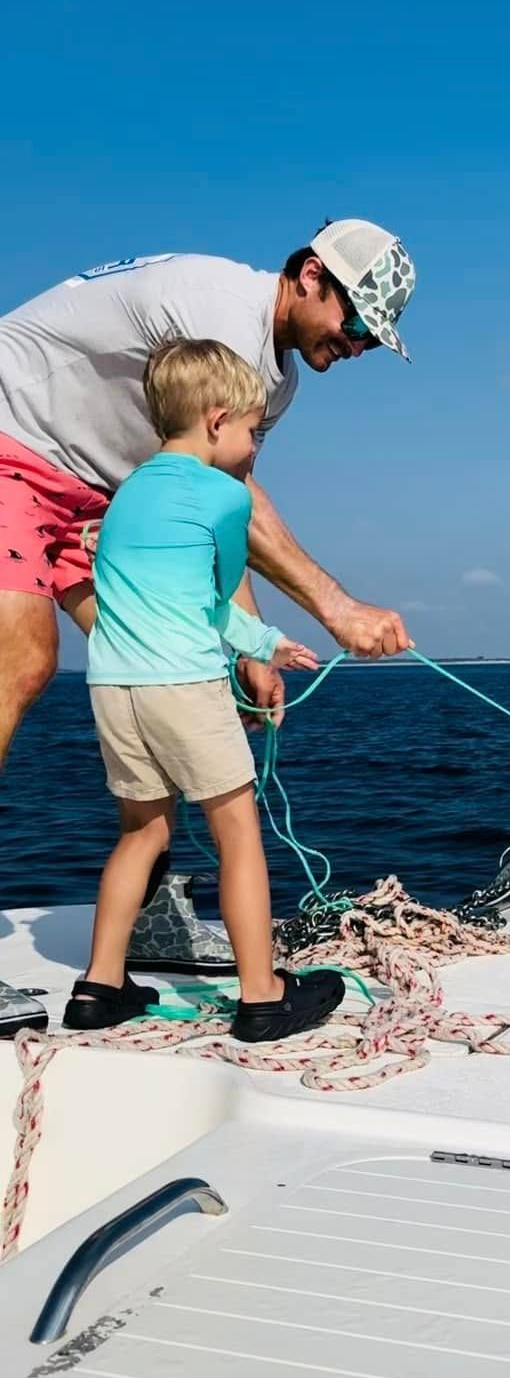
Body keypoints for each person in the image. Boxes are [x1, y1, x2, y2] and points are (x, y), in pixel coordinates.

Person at [0, 218, 417, 773]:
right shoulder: (221, 319)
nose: (358, 345)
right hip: (15, 441)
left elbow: (216, 504)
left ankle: (147, 853)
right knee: (23, 658)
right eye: (359, 320)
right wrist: (337, 609)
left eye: (373, 338)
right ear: (311, 275)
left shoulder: (276, 382)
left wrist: (250, 644)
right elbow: (227, 489)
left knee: (166, 676)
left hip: (95, 499)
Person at [63, 337, 346, 1043]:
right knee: (238, 835)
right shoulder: (223, 495)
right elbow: (220, 598)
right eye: (253, 431)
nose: (254, 449)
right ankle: (262, 996)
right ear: (217, 421)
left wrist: (267, 646)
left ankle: (99, 986)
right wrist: (264, 642)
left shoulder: (128, 491)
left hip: (114, 685)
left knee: (142, 831)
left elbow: (160, 594)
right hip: (184, 686)